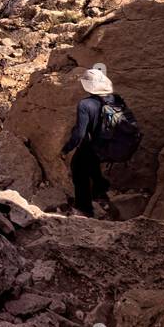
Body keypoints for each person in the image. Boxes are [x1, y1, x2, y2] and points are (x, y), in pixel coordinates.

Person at [60, 64, 117, 217]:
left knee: (78, 170)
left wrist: (66, 149)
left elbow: (79, 133)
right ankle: (102, 192)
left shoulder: (85, 105)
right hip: (107, 144)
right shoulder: (112, 99)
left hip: (91, 145)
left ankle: (84, 208)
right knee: (92, 166)